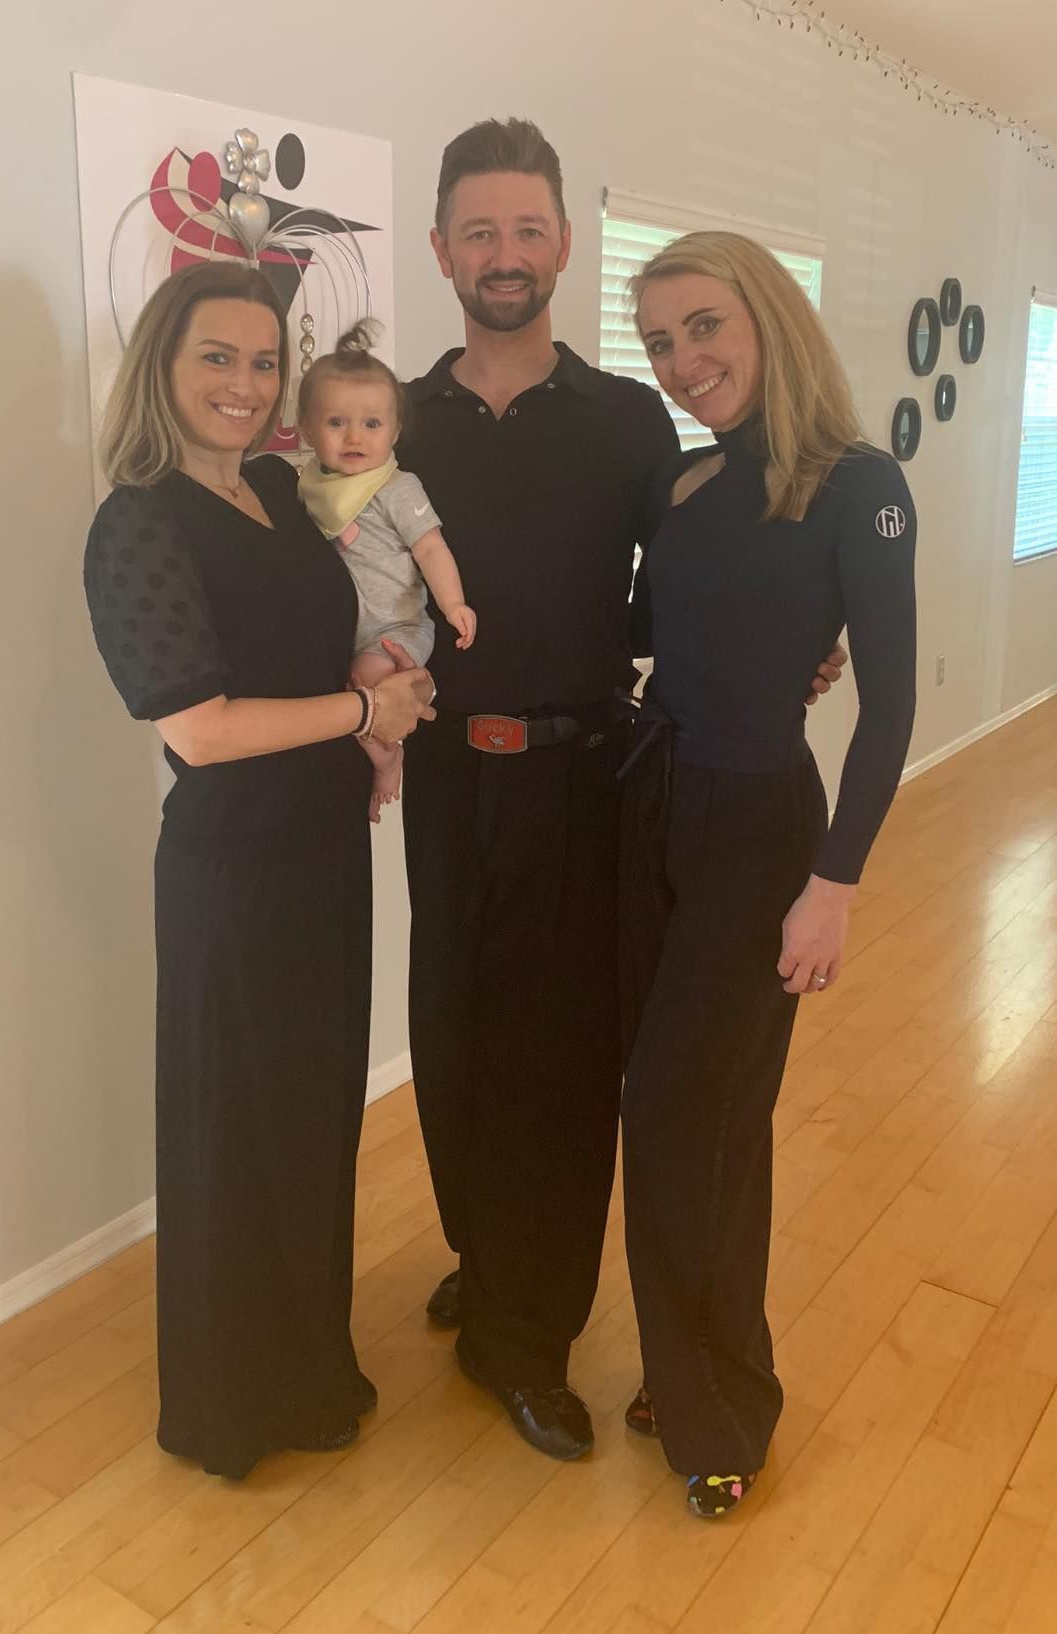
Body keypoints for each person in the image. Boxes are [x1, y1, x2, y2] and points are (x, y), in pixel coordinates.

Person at [398, 120, 846, 1461]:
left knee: (547, 1060)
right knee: (450, 1042)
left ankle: (524, 1342)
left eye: (527, 228)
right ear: (440, 249)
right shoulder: (393, 417)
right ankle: (489, 1256)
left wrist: (793, 630)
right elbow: (345, 578)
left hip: (588, 776)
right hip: (438, 774)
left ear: (562, 245)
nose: (504, 253)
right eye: (478, 229)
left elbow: (694, 569)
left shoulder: (630, 418)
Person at [82, 260, 434, 1480]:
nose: (246, 383)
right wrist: (363, 709)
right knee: (236, 1132)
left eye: (264, 360)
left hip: (327, 852)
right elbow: (202, 726)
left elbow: (364, 606)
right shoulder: (137, 519)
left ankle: (309, 1366)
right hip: (233, 875)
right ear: (164, 370)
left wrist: (391, 696)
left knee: (314, 1116)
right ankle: (229, 1403)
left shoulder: (286, 494)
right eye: (216, 358)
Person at [619, 231, 917, 1517]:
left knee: (711, 1117)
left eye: (701, 328)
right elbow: (648, 632)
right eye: (660, 344)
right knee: (657, 1102)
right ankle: (676, 1358)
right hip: (652, 802)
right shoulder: (686, 488)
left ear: (767, 315)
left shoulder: (859, 482)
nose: (684, 362)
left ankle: (727, 1399)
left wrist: (835, 881)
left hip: (758, 830)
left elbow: (894, 698)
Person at [297, 322, 476, 821]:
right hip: (343, 635)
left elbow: (431, 547)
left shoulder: (397, 488)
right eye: (337, 423)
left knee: (367, 690)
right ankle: (379, 755)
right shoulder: (307, 489)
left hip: (395, 630)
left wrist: (453, 604)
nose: (355, 436)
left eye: (372, 424)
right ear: (307, 428)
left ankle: (388, 759)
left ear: (394, 432)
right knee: (335, 697)